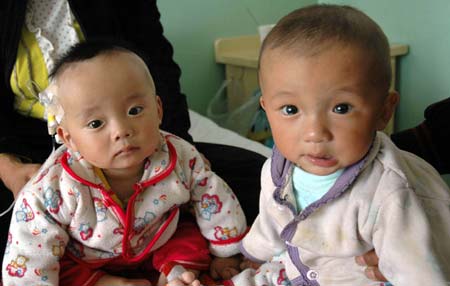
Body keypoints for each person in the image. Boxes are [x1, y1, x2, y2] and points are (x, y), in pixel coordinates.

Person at [0, 0, 265, 272]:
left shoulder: (179, 156)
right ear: (67, 138)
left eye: (135, 110)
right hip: (27, 167)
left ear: (157, 109)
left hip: (156, 235)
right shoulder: (53, 186)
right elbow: (31, 249)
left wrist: (226, 254)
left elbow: (213, 195)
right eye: (97, 123)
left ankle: (174, 270)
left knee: (257, 175)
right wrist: (7, 166)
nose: (121, 130)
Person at [225, 4, 450, 286]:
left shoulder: (390, 193)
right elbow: (271, 220)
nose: (315, 133)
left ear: (384, 111)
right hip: (300, 269)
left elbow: (420, 273)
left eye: (341, 108)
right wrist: (253, 254)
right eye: (291, 110)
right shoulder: (276, 169)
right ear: (266, 109)